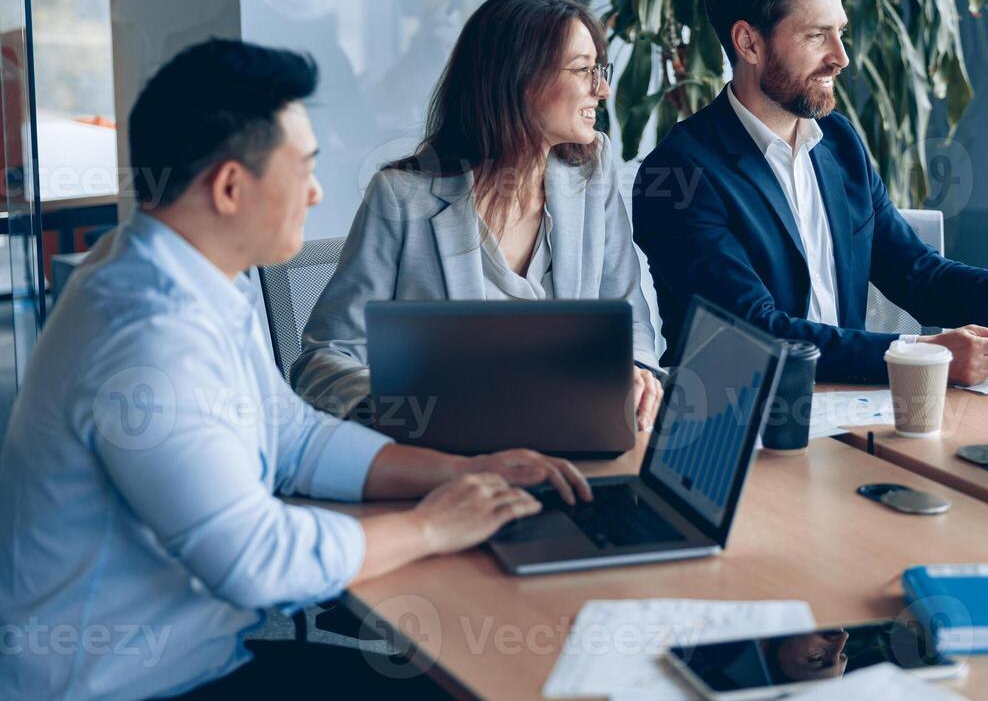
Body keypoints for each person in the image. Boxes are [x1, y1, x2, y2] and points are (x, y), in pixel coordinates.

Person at [0, 40, 591, 700]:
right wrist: (430, 526)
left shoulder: (190, 269)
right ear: (229, 187)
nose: (315, 194)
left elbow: (292, 437)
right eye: (303, 169)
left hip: (196, 657)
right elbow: (258, 560)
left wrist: (461, 470)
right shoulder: (147, 339)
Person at [632, 0, 988, 386]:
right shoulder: (676, 176)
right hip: (738, 422)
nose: (841, 58)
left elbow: (919, 275)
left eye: (840, 34)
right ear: (748, 43)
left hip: (849, 408)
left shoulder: (838, 144)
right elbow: (756, 333)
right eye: (817, 36)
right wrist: (923, 354)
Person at [293, 0, 663, 428]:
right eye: (584, 70)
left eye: (598, 70)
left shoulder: (591, 175)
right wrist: (422, 406)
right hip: (456, 454)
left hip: (577, 437)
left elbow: (627, 315)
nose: (602, 90)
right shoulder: (402, 198)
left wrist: (636, 372)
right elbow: (323, 360)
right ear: (520, 79)